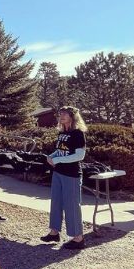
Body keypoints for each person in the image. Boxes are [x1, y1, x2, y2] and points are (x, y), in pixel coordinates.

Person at [40, 106, 88, 249]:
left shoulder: (78, 133)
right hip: (58, 173)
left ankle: (78, 238)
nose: (61, 116)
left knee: (71, 206)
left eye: (65, 114)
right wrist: (52, 156)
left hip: (71, 175)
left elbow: (80, 155)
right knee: (56, 203)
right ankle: (54, 232)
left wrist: (59, 160)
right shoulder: (62, 133)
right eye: (60, 114)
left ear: (72, 116)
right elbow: (60, 150)